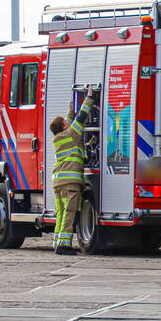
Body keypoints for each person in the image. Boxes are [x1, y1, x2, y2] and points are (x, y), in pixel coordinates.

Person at [50, 88, 96, 255]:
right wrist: (89, 97)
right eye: (65, 122)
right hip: (70, 183)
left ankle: (57, 242)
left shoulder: (59, 138)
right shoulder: (72, 135)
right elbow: (81, 117)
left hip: (58, 183)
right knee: (69, 212)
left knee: (61, 212)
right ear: (63, 126)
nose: (68, 122)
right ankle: (64, 246)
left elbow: (71, 122)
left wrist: (69, 111)